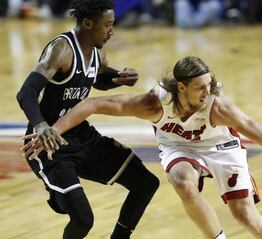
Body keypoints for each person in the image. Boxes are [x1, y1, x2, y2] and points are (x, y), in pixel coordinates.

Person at [23, 56, 262, 239]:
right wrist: (49, 130)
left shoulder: (218, 107)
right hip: (179, 146)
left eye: (210, 84)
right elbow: (92, 104)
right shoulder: (152, 103)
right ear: (181, 88)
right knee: (181, 181)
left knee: (246, 217)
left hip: (221, 145)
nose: (208, 91)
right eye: (201, 87)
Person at [16, 0, 159, 238]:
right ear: (88, 23)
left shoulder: (98, 49)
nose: (112, 31)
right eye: (108, 25)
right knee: (83, 220)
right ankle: (61, 197)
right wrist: (41, 125)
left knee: (145, 183)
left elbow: (95, 77)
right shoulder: (62, 50)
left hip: (82, 135)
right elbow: (26, 92)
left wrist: (117, 78)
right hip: (49, 144)